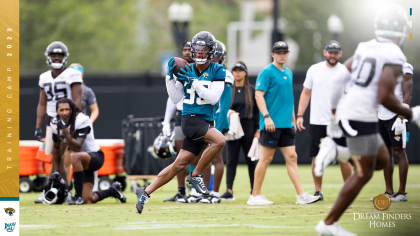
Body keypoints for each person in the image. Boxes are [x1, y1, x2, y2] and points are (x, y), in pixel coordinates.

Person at [314, 5, 420, 235]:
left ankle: (339, 151)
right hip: (360, 115)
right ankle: (329, 224)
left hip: (351, 112)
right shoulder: (395, 54)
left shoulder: (365, 46)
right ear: (401, 30)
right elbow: (384, 96)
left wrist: (334, 113)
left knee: (382, 159)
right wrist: (412, 114)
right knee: (365, 172)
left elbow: (339, 78)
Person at [135, 31, 226, 213]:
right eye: (197, 50)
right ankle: (196, 175)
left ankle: (144, 192)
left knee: (178, 164)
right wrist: (170, 78)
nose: (199, 53)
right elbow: (176, 98)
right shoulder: (186, 68)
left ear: (211, 51)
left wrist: (194, 82)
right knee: (220, 141)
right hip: (191, 120)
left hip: (205, 121)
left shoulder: (218, 70)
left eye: (204, 50)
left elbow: (213, 99)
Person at [248, 41, 320, 205]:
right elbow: (259, 95)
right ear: (273, 54)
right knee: (266, 159)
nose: (282, 55)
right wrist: (266, 117)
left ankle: (301, 195)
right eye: (278, 52)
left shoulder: (288, 72)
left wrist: (293, 119)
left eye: (284, 52)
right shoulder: (266, 72)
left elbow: (289, 98)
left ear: (288, 54)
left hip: (286, 124)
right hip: (271, 124)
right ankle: (254, 196)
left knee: (292, 157)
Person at [296, 41, 352, 201]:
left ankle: (349, 189)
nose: (332, 55)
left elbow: (350, 95)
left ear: (340, 54)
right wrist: (300, 115)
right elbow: (306, 92)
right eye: (330, 52)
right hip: (317, 121)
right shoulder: (314, 69)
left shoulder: (345, 71)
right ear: (325, 52)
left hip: (339, 121)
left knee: (344, 157)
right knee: (316, 157)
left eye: (336, 53)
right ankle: (318, 190)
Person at [50, 98, 126, 205]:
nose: (65, 112)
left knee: (74, 155)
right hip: (79, 163)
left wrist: (64, 130)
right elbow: (57, 148)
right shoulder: (54, 122)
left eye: (67, 109)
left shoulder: (82, 120)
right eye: (61, 110)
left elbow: (76, 146)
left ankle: (77, 196)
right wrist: (56, 169)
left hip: (94, 157)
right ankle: (112, 191)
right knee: (88, 199)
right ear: (57, 112)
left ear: (72, 109)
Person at [34, 41, 83, 204]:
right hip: (51, 121)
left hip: (67, 121)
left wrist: (71, 120)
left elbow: (77, 99)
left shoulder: (72, 74)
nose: (56, 57)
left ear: (65, 57)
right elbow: (42, 103)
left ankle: (56, 190)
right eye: (53, 55)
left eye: (59, 55)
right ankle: (58, 190)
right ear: (48, 57)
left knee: (60, 159)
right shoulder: (44, 77)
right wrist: (38, 126)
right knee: (55, 159)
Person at [199, 40, 234, 204]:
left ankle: (215, 192)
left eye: (217, 56)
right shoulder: (205, 71)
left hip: (218, 119)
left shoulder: (224, 74)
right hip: (206, 120)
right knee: (204, 157)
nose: (214, 59)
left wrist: (217, 127)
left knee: (216, 157)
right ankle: (205, 191)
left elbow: (224, 105)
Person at [373, 62, 413, 201]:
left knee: (399, 152)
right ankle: (389, 192)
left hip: (397, 115)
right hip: (381, 114)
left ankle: (401, 193)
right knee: (386, 153)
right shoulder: (379, 65)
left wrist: (401, 117)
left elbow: (408, 93)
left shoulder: (405, 66)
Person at [220, 61, 259, 201]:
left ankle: (254, 190)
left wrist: (258, 130)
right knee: (231, 160)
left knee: (251, 160)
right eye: (235, 70)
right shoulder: (228, 89)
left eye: (240, 70)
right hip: (233, 128)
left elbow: (256, 111)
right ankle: (229, 190)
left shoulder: (252, 90)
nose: (237, 73)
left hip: (248, 126)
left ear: (245, 72)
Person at [162, 41, 194, 203]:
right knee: (180, 155)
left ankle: (197, 191)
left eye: (190, 49)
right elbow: (173, 97)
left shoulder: (200, 68)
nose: (187, 52)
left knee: (197, 155)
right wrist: (166, 121)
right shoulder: (178, 69)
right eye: (185, 50)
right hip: (181, 115)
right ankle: (181, 191)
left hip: (197, 114)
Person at [69, 63, 100, 193]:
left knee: (88, 153)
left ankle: (92, 186)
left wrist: (89, 123)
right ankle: (65, 187)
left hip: (82, 127)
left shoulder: (86, 90)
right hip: (68, 127)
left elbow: (95, 110)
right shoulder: (65, 89)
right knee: (65, 156)